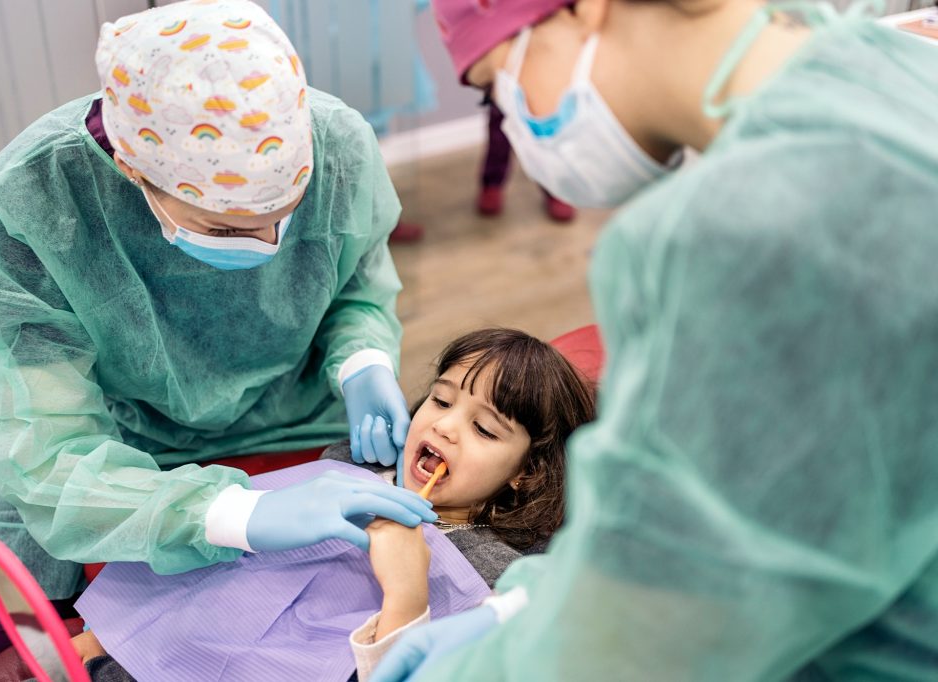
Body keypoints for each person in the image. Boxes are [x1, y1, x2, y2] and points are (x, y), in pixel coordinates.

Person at [374, 0, 938, 680]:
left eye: (501, 81)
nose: (516, 121)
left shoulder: (743, 233)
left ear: (586, 10)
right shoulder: (894, 67)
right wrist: (519, 606)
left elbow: (662, 619)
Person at [0, 2, 439, 679]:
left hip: (293, 408)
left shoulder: (337, 142)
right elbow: (45, 454)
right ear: (134, 170)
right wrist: (229, 515)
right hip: (111, 441)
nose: (267, 246)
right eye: (224, 228)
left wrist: (363, 361)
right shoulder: (34, 196)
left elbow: (355, 285)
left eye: (284, 218)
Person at [61, 328, 596, 681]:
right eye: (441, 398)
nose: (444, 426)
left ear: (527, 473)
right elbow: (219, 561)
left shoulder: (499, 580)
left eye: (483, 428)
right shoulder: (349, 465)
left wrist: (406, 599)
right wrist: (107, 637)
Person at [477, 102, 576, 222]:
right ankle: (492, 183)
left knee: (545, 128)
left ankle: (555, 189)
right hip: (501, 88)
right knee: (499, 133)